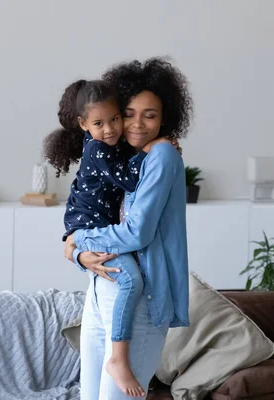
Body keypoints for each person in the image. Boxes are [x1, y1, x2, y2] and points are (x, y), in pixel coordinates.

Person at [65, 57, 193, 400]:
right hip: (100, 292)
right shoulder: (116, 153)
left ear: (165, 118)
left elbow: (137, 233)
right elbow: (85, 202)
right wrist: (77, 252)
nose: (137, 123)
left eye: (149, 115)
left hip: (140, 302)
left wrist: (79, 241)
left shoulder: (161, 155)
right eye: (129, 113)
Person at [43, 79, 170, 397]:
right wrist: (149, 152)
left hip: (90, 235)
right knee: (132, 282)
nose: (112, 128)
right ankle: (119, 358)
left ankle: (118, 357)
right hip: (91, 232)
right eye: (100, 123)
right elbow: (129, 184)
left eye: (115, 119)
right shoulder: (101, 149)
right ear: (84, 124)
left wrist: (75, 251)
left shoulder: (106, 148)